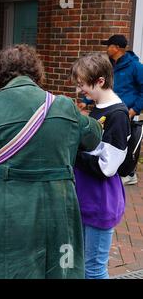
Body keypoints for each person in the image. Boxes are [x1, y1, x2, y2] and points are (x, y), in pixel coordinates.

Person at [0, 44, 103, 279]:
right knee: (57, 268)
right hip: (57, 208)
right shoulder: (63, 106)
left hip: (1, 206)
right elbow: (93, 137)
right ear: (36, 72)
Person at [71, 53, 130, 279]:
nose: (80, 90)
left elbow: (107, 166)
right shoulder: (98, 108)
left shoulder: (117, 115)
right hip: (88, 200)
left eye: (83, 84)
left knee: (94, 271)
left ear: (100, 81)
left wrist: (73, 151)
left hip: (100, 203)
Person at [100, 35, 143, 185]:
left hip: (127, 112)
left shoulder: (136, 67)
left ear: (116, 48)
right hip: (110, 110)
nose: (107, 49)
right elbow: (102, 84)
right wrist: (86, 101)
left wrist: (134, 110)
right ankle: (116, 171)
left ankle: (130, 173)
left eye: (109, 46)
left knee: (126, 143)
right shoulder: (109, 65)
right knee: (111, 141)